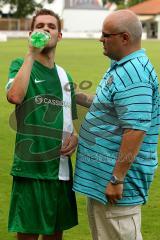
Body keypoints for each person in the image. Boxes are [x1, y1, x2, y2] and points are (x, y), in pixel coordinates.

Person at [73, 10, 160, 240]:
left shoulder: (134, 74)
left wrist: (116, 179)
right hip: (105, 182)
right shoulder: (121, 66)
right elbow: (107, 104)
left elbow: (135, 129)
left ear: (124, 38)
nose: (100, 39)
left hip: (118, 187)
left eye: (105, 34)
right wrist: (76, 95)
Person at [6, 9, 78, 240]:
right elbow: (15, 97)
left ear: (60, 35)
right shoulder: (20, 65)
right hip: (31, 170)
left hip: (60, 171)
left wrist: (74, 136)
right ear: (31, 33)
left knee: (55, 236)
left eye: (51, 26)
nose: (46, 29)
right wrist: (31, 54)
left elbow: (69, 118)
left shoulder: (65, 75)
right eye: (40, 26)